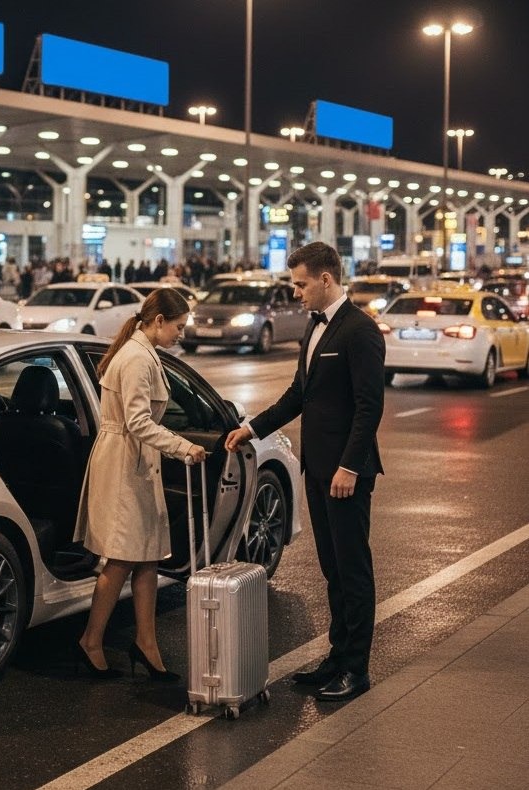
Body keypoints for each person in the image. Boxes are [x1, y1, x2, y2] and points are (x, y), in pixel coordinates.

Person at [225, 241, 385, 703]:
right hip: (317, 468)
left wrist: (349, 466)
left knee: (353, 570)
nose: (295, 292)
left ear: (326, 279)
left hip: (345, 473)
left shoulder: (360, 331)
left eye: (300, 284)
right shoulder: (314, 328)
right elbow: (299, 394)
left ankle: (356, 669)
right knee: (332, 569)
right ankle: (337, 657)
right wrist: (252, 428)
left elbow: (369, 407)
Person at [74, 289, 207, 680]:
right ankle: (91, 641)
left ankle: (146, 644)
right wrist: (183, 447)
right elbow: (137, 422)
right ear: (159, 321)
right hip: (124, 465)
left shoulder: (141, 352)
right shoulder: (136, 358)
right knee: (121, 557)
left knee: (147, 555)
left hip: (131, 460)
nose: (181, 334)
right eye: (178, 326)